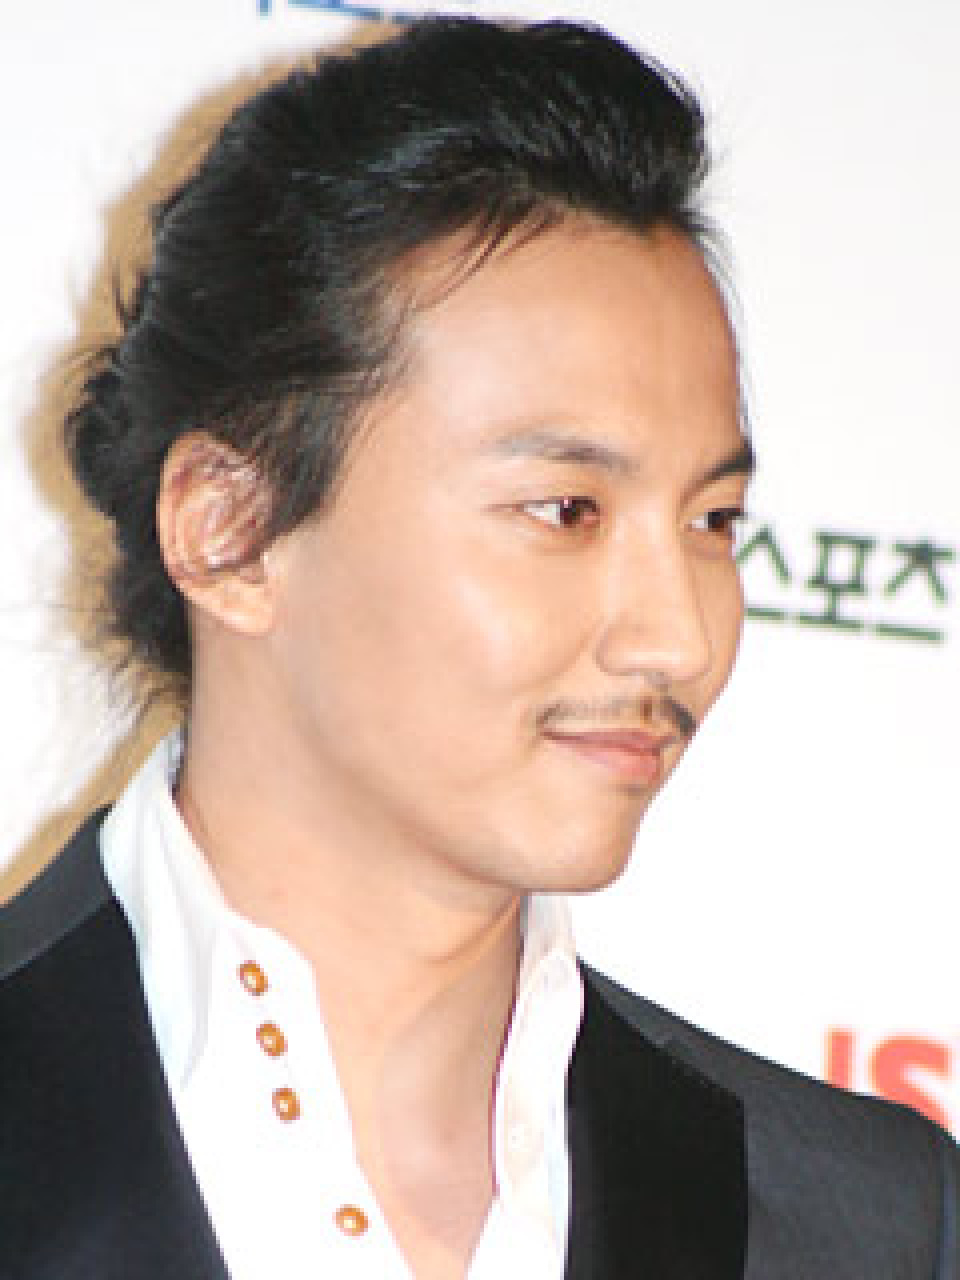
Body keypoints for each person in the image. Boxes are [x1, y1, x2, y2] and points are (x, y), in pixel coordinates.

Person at [0, 16, 956, 1280]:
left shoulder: (867, 1222)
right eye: (566, 510)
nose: (677, 636)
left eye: (713, 521)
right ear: (228, 529)